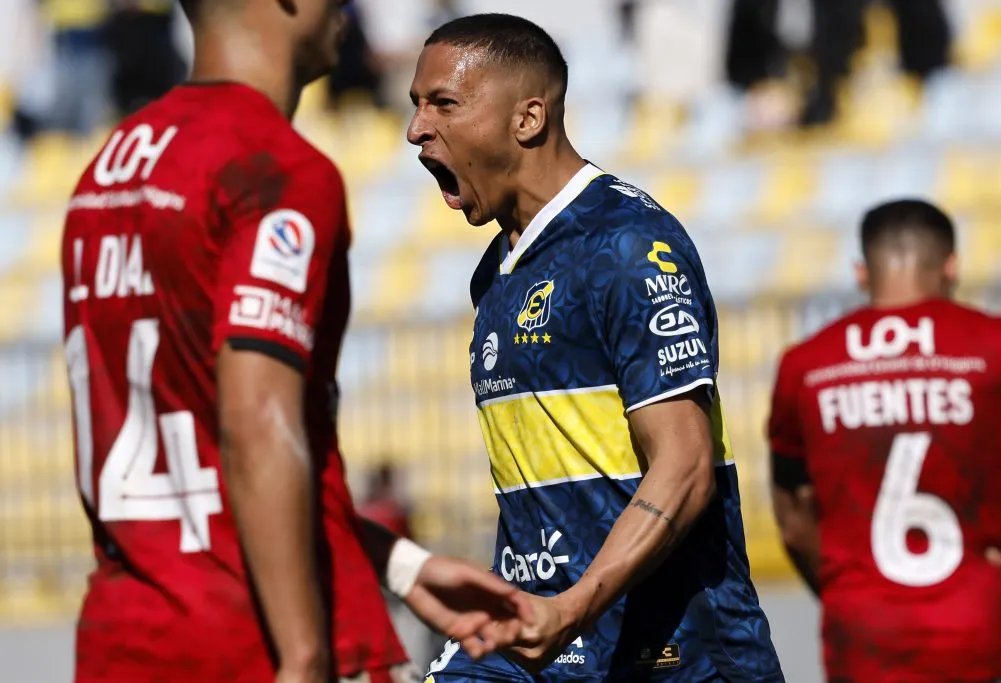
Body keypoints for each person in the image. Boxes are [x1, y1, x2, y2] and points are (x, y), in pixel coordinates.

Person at [60, 1, 531, 682]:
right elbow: (258, 422)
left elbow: (202, 464)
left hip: (122, 642)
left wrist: (399, 564)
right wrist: (304, 655)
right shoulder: (273, 167)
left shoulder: (106, 171)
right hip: (253, 641)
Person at [407, 14, 783, 682]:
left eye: (443, 103)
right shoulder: (496, 270)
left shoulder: (627, 247)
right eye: (416, 105)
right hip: (538, 634)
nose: (416, 129)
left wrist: (573, 608)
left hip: (672, 654)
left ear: (528, 119)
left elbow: (685, 465)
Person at [768, 199, 1001, 682]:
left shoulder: (806, 365)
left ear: (861, 273)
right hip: (982, 631)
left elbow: (794, 523)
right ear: (952, 266)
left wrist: (849, 592)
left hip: (865, 637)